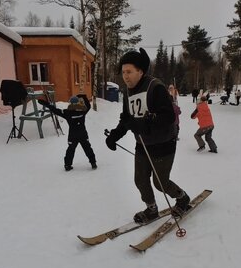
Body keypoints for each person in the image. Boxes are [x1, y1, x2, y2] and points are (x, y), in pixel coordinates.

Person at [105, 48, 190, 223]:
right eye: (123, 72)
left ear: (140, 71)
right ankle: (151, 209)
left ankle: (182, 198)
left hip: (164, 143)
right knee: (140, 180)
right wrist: (115, 135)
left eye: (129, 72)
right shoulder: (128, 92)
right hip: (143, 143)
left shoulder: (155, 87)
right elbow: (126, 119)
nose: (125, 76)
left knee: (160, 183)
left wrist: (146, 123)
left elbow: (168, 116)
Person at [38, 94, 97, 171]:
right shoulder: (83, 110)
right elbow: (88, 106)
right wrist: (84, 97)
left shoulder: (67, 112)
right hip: (83, 134)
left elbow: (55, 110)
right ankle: (93, 163)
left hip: (73, 135)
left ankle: (67, 165)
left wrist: (45, 103)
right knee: (87, 148)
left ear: (70, 103)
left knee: (70, 150)